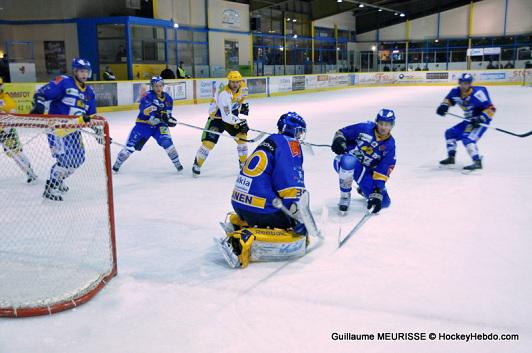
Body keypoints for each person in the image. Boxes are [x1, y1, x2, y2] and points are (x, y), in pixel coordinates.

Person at [216, 112, 308, 268]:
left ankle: (238, 223)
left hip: (239, 203)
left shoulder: (270, 140)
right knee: (292, 226)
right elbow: (290, 182)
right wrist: (297, 217)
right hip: (260, 208)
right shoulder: (290, 144)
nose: (300, 136)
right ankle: (243, 239)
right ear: (293, 130)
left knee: (278, 210)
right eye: (299, 132)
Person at [30, 58, 100, 201]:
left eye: (86, 71)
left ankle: (58, 179)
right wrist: (39, 104)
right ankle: (51, 187)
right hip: (57, 128)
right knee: (65, 160)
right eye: (81, 71)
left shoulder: (89, 92)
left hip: (74, 130)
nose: (84, 74)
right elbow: (41, 93)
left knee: (78, 159)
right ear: (75, 71)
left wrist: (98, 131)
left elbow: (90, 115)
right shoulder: (64, 82)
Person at [112, 76, 183, 173]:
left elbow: (168, 114)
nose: (158, 88)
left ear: (163, 86)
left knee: (167, 143)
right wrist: (159, 116)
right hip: (144, 125)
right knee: (130, 147)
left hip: (159, 126)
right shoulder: (147, 96)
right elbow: (147, 113)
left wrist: (169, 119)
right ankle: (117, 164)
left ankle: (177, 163)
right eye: (155, 86)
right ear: (152, 86)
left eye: (160, 86)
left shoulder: (168, 98)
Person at [331, 109, 397, 213]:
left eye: (387, 124)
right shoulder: (364, 128)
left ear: (392, 125)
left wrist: (378, 189)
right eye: (381, 123)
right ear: (377, 122)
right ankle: (345, 196)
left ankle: (363, 190)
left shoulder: (390, 145)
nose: (383, 127)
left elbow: (384, 168)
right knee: (349, 161)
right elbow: (342, 132)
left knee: (384, 202)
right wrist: (339, 141)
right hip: (344, 161)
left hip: (364, 170)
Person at [191, 71, 249, 177]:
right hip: (217, 119)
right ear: (229, 81)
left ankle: (243, 164)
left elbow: (244, 99)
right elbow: (226, 117)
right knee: (209, 144)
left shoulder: (243, 87)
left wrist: (245, 106)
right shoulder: (224, 94)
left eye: (237, 82)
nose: (235, 84)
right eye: (232, 82)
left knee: (243, 140)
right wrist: (240, 122)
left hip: (232, 117)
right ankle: (197, 164)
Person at [436, 73, 496, 171]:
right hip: (468, 120)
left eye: (466, 83)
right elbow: (448, 100)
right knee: (450, 133)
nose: (464, 85)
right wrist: (444, 106)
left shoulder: (478, 93)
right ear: (459, 83)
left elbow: (491, 108)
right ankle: (451, 157)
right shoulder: (455, 92)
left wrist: (481, 118)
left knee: (467, 139)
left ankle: (477, 162)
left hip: (480, 121)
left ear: (470, 84)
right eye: (462, 83)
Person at [0, 77, 37, 183]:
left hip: (5, 131)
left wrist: (6, 128)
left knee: (16, 153)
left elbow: (12, 112)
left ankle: (30, 173)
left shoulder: (6, 99)